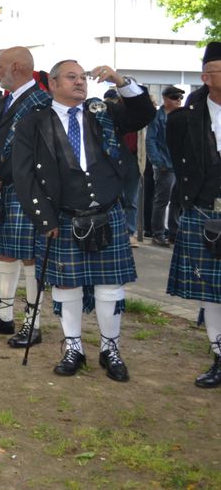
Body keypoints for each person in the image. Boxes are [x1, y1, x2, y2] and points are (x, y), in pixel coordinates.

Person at [13, 61, 154, 381]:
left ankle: (110, 348)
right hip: (63, 216)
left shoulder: (102, 111)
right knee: (66, 285)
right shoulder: (33, 123)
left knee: (109, 285)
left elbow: (144, 114)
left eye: (82, 77)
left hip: (108, 211)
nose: (80, 82)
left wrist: (121, 81)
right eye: (71, 77)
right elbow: (24, 175)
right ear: (52, 84)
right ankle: (73, 346)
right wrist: (43, 217)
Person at [0, 46, 51, 347]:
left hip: (26, 189)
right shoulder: (10, 99)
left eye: (1, 67)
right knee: (5, 251)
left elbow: (27, 151)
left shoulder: (40, 101)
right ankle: (4, 315)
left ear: (16, 66)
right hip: (3, 185)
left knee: (29, 256)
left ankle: (33, 323)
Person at [166, 44, 221, 388]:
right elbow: (179, 161)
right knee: (213, 291)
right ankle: (219, 356)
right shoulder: (184, 120)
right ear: (206, 78)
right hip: (204, 211)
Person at [104, 88, 143, 247]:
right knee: (114, 198)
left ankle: (130, 232)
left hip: (134, 159)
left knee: (131, 199)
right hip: (114, 160)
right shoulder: (112, 113)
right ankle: (114, 230)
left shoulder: (140, 115)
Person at [147, 85, 184, 246]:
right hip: (165, 165)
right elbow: (151, 140)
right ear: (166, 99)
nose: (179, 101)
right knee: (162, 200)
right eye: (175, 98)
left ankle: (174, 233)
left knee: (177, 201)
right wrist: (158, 162)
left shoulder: (182, 116)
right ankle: (158, 234)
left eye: (180, 98)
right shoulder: (157, 117)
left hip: (179, 165)